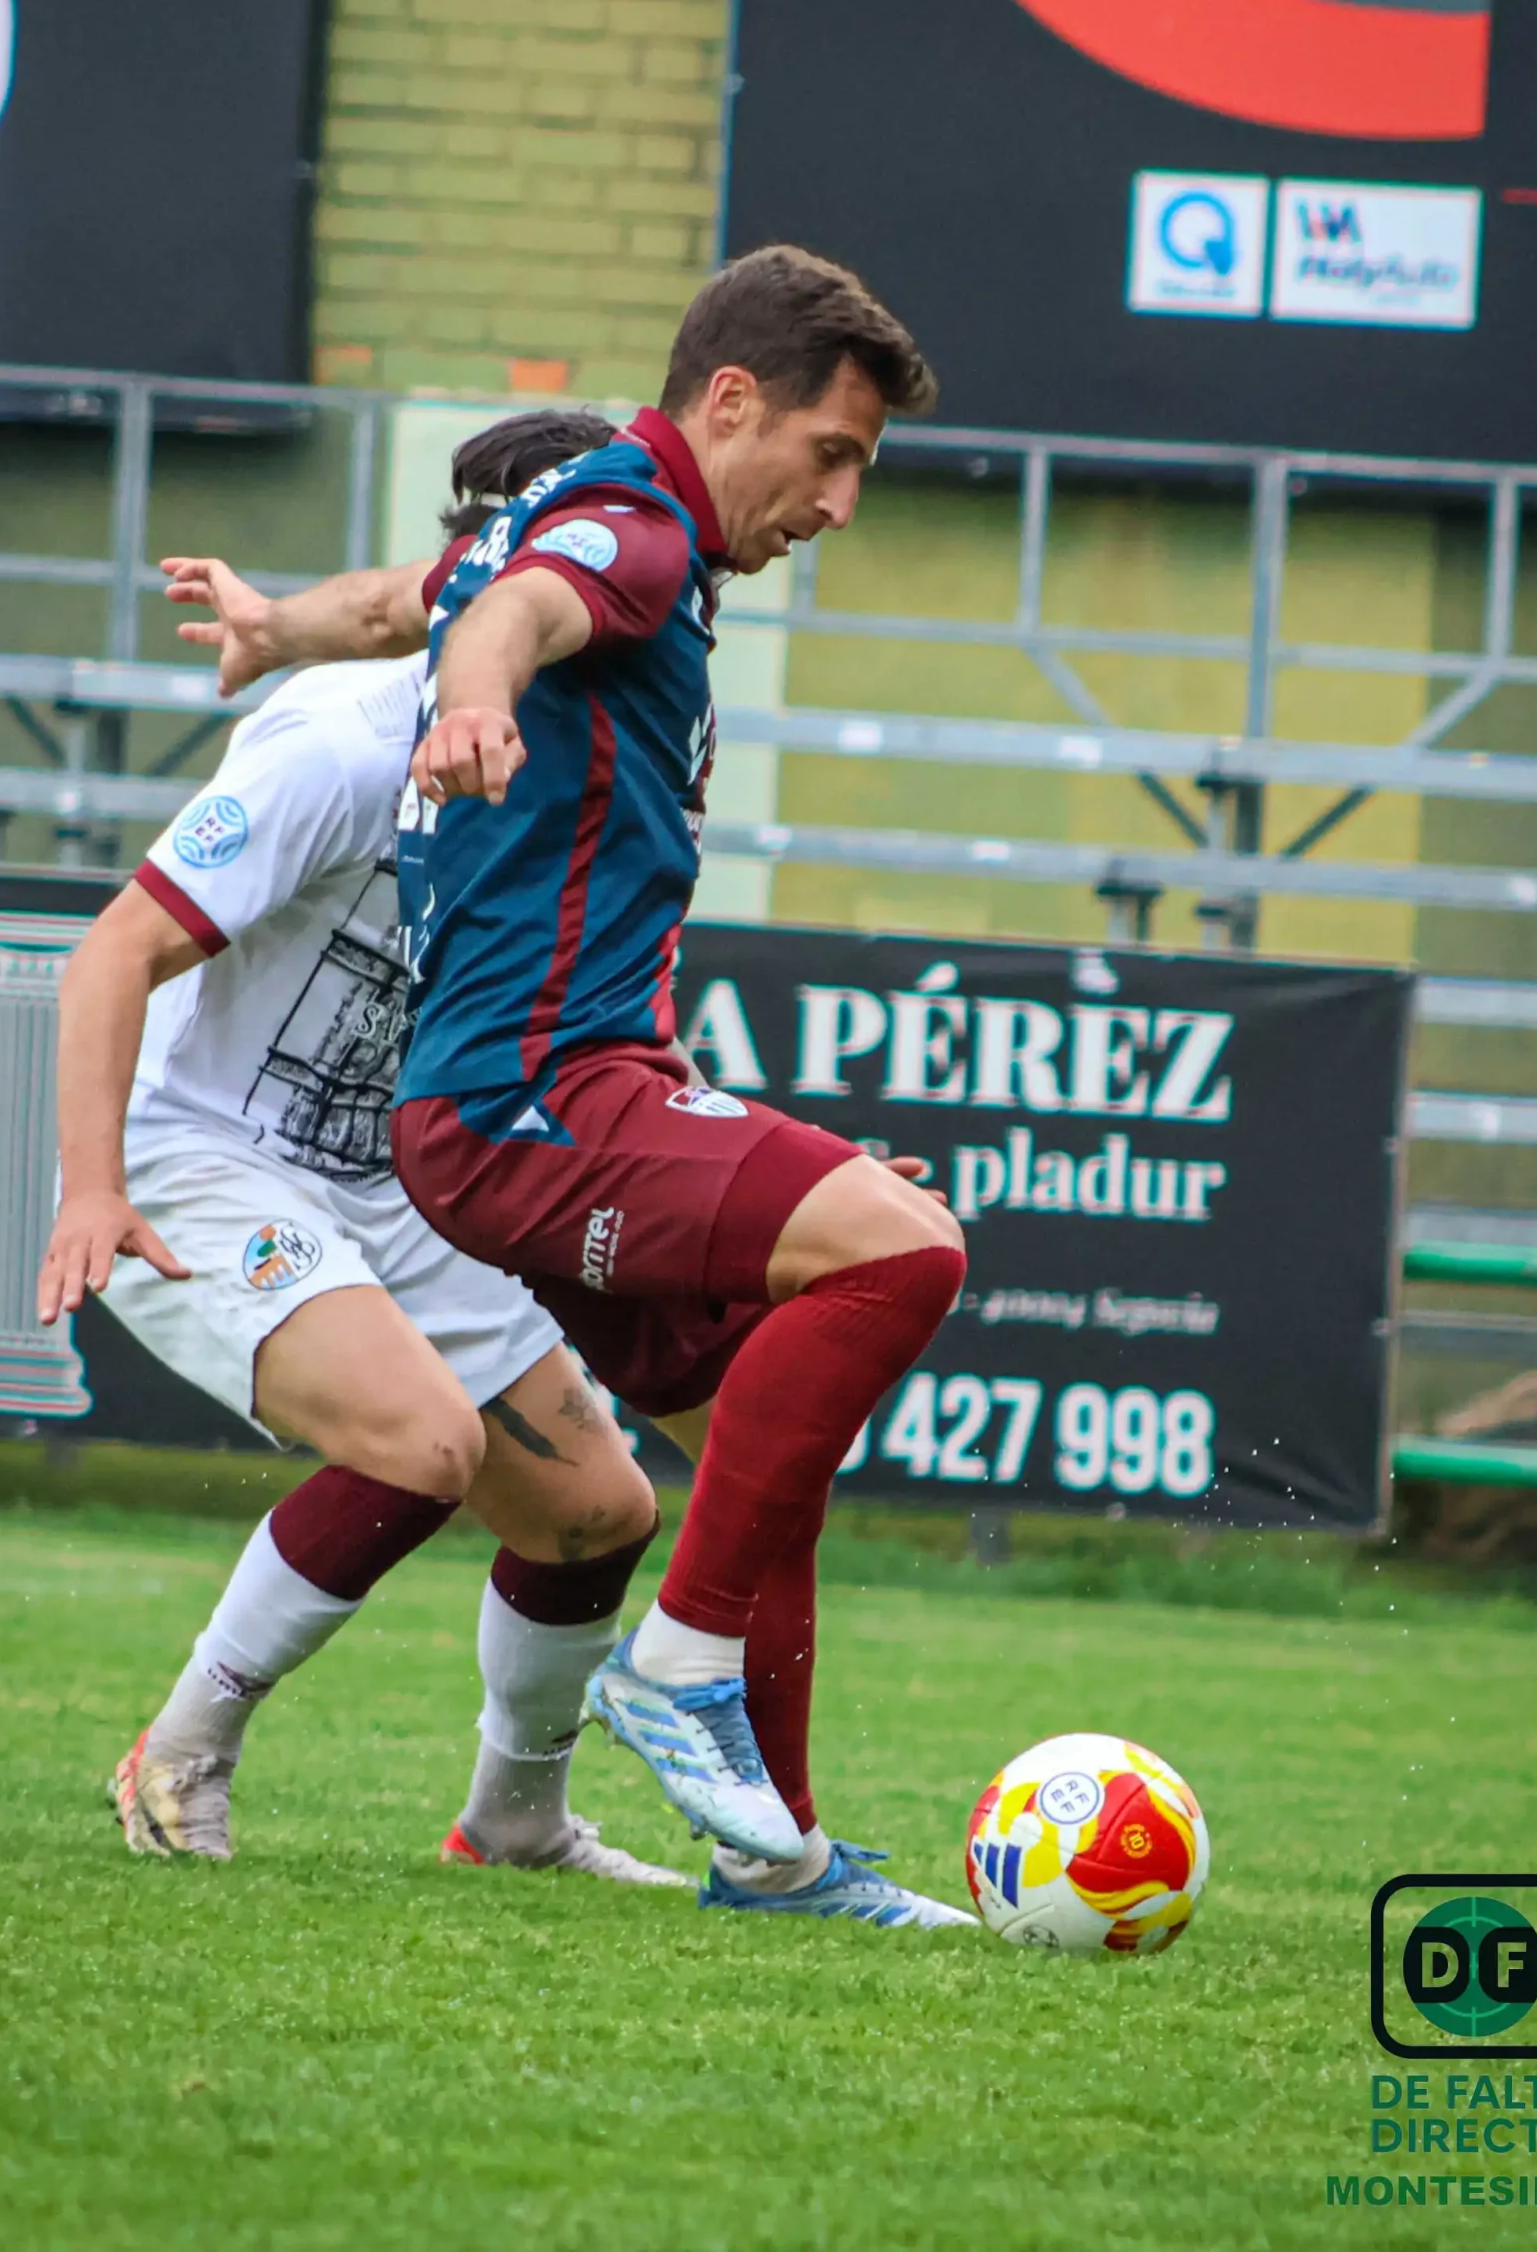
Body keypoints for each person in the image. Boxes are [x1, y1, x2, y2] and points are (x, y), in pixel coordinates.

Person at [161, 249, 975, 1930]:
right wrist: (470, 708)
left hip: (527, 1103)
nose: (838, 503)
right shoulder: (642, 531)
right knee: (907, 1253)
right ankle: (675, 1673)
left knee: (764, 1419)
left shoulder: (597, 517)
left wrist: (272, 623)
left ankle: (779, 1859)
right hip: (531, 1105)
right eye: (832, 456)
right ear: (730, 402)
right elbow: (507, 619)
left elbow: (426, 597)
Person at [38, 411, 686, 1889]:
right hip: (207, 1157)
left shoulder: (594, 768)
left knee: (598, 1513)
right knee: (425, 1444)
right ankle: (182, 1748)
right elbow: (110, 956)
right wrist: (92, 1185)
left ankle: (516, 1821)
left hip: (398, 1178)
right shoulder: (342, 745)